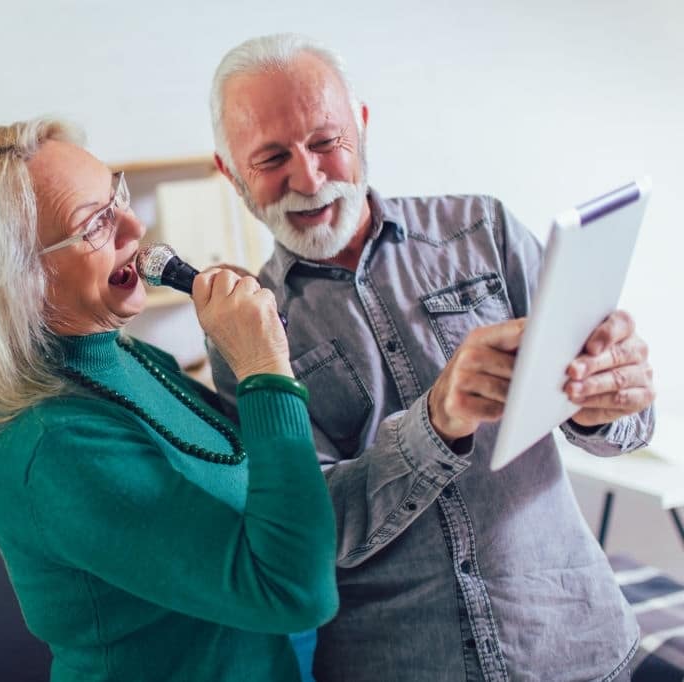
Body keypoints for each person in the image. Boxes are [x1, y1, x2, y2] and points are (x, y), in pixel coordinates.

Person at [206, 34, 656, 682]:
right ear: (230, 172)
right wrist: (435, 423)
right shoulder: (243, 333)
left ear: (360, 127)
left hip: (575, 647)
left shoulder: (485, 230)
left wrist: (609, 399)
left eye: (327, 141)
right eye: (273, 157)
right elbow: (308, 534)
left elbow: (624, 430)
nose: (309, 178)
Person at [0, 118, 338, 682]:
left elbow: (267, 495)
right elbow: (295, 591)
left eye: (115, 195)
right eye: (94, 223)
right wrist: (264, 367)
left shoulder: (127, 356)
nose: (135, 225)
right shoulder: (57, 445)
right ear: (22, 278)